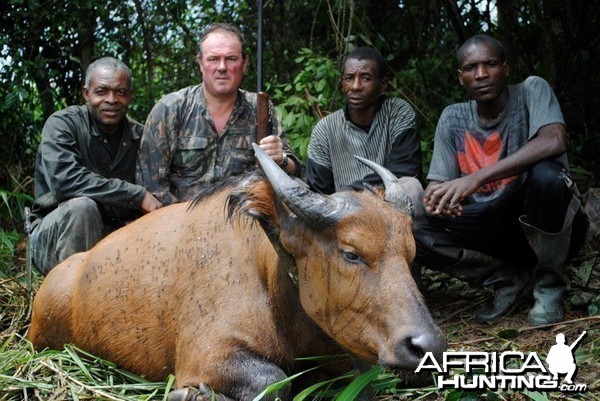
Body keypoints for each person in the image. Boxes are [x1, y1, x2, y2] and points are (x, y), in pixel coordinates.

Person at [413, 34, 589, 325]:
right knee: (412, 229)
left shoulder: (532, 89)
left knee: (546, 175)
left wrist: (475, 178)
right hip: (495, 227)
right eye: (471, 68)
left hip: (548, 218)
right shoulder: (453, 117)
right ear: (460, 78)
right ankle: (504, 277)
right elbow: (437, 184)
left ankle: (549, 284)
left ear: (505, 68)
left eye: (490, 64)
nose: (481, 74)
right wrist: (439, 201)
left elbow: (553, 140)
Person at [137, 22, 302, 205]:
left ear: (244, 63)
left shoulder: (261, 108)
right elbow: (152, 189)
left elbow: (295, 170)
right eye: (213, 59)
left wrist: (282, 159)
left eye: (231, 59)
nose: (222, 67)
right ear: (200, 63)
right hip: (180, 222)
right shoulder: (170, 109)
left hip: (242, 220)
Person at [30, 57, 163, 275]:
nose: (111, 100)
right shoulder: (63, 124)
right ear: (86, 93)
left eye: (120, 92)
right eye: (101, 91)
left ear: (130, 96)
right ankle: (66, 298)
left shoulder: (140, 137)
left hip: (112, 237)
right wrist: (136, 195)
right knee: (82, 208)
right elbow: (65, 182)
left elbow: (157, 195)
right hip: (54, 235)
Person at [306, 47, 423, 210]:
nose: (355, 86)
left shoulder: (397, 111)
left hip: (390, 206)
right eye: (349, 78)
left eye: (366, 78)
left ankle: (419, 237)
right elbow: (318, 189)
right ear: (342, 84)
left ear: (383, 85)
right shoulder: (325, 129)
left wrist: (351, 192)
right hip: (345, 214)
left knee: (412, 186)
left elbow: (406, 167)